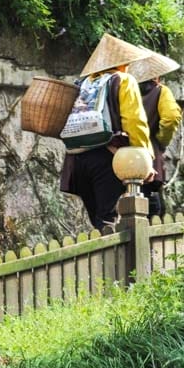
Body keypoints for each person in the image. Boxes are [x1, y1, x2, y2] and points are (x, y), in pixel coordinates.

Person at [60, 34, 154, 230]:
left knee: (96, 220)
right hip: (109, 158)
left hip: (76, 161)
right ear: (120, 63)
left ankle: (102, 259)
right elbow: (134, 122)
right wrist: (145, 159)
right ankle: (116, 261)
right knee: (108, 220)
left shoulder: (81, 84)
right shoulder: (123, 80)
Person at [127, 47, 182, 217]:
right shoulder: (160, 91)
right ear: (156, 74)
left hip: (120, 155)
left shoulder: (124, 91)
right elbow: (171, 117)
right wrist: (161, 141)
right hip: (148, 155)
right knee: (149, 202)